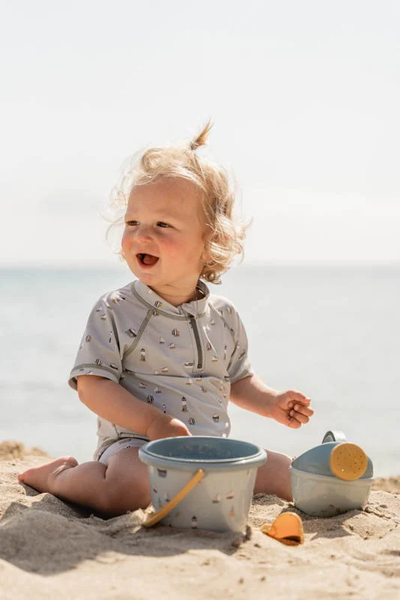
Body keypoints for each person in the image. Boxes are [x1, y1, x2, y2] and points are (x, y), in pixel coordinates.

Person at [19, 123, 314, 517]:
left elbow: (237, 379)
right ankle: (57, 476)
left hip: (211, 451)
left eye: (162, 225)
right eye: (132, 222)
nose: (142, 234)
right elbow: (92, 386)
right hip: (136, 447)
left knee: (284, 474)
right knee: (127, 489)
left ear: (211, 243)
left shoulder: (223, 316)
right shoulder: (116, 309)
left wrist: (272, 401)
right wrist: (155, 423)